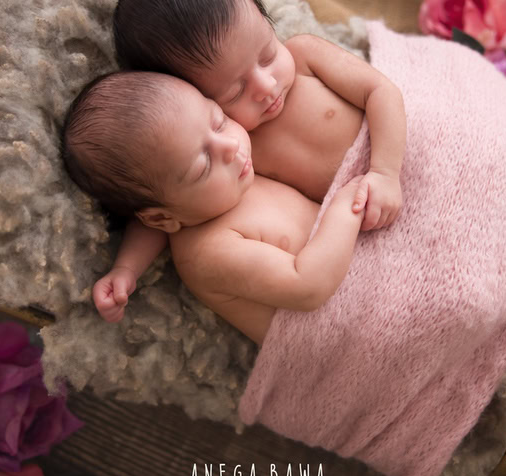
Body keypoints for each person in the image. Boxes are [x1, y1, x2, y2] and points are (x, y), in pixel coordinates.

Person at [95, 0, 406, 322]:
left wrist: (386, 171)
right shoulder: (230, 147)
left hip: (393, 154)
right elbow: (169, 202)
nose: (265, 85)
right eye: (234, 91)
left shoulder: (305, 56)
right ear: (190, 96)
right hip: (361, 216)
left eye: (267, 54)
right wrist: (126, 269)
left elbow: (382, 92)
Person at [63, 71, 368, 345]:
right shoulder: (206, 252)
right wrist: (346, 206)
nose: (230, 146)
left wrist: (127, 268)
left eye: (218, 120)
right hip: (356, 333)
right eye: (203, 164)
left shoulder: (216, 188)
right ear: (162, 217)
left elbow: (153, 220)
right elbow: (308, 288)